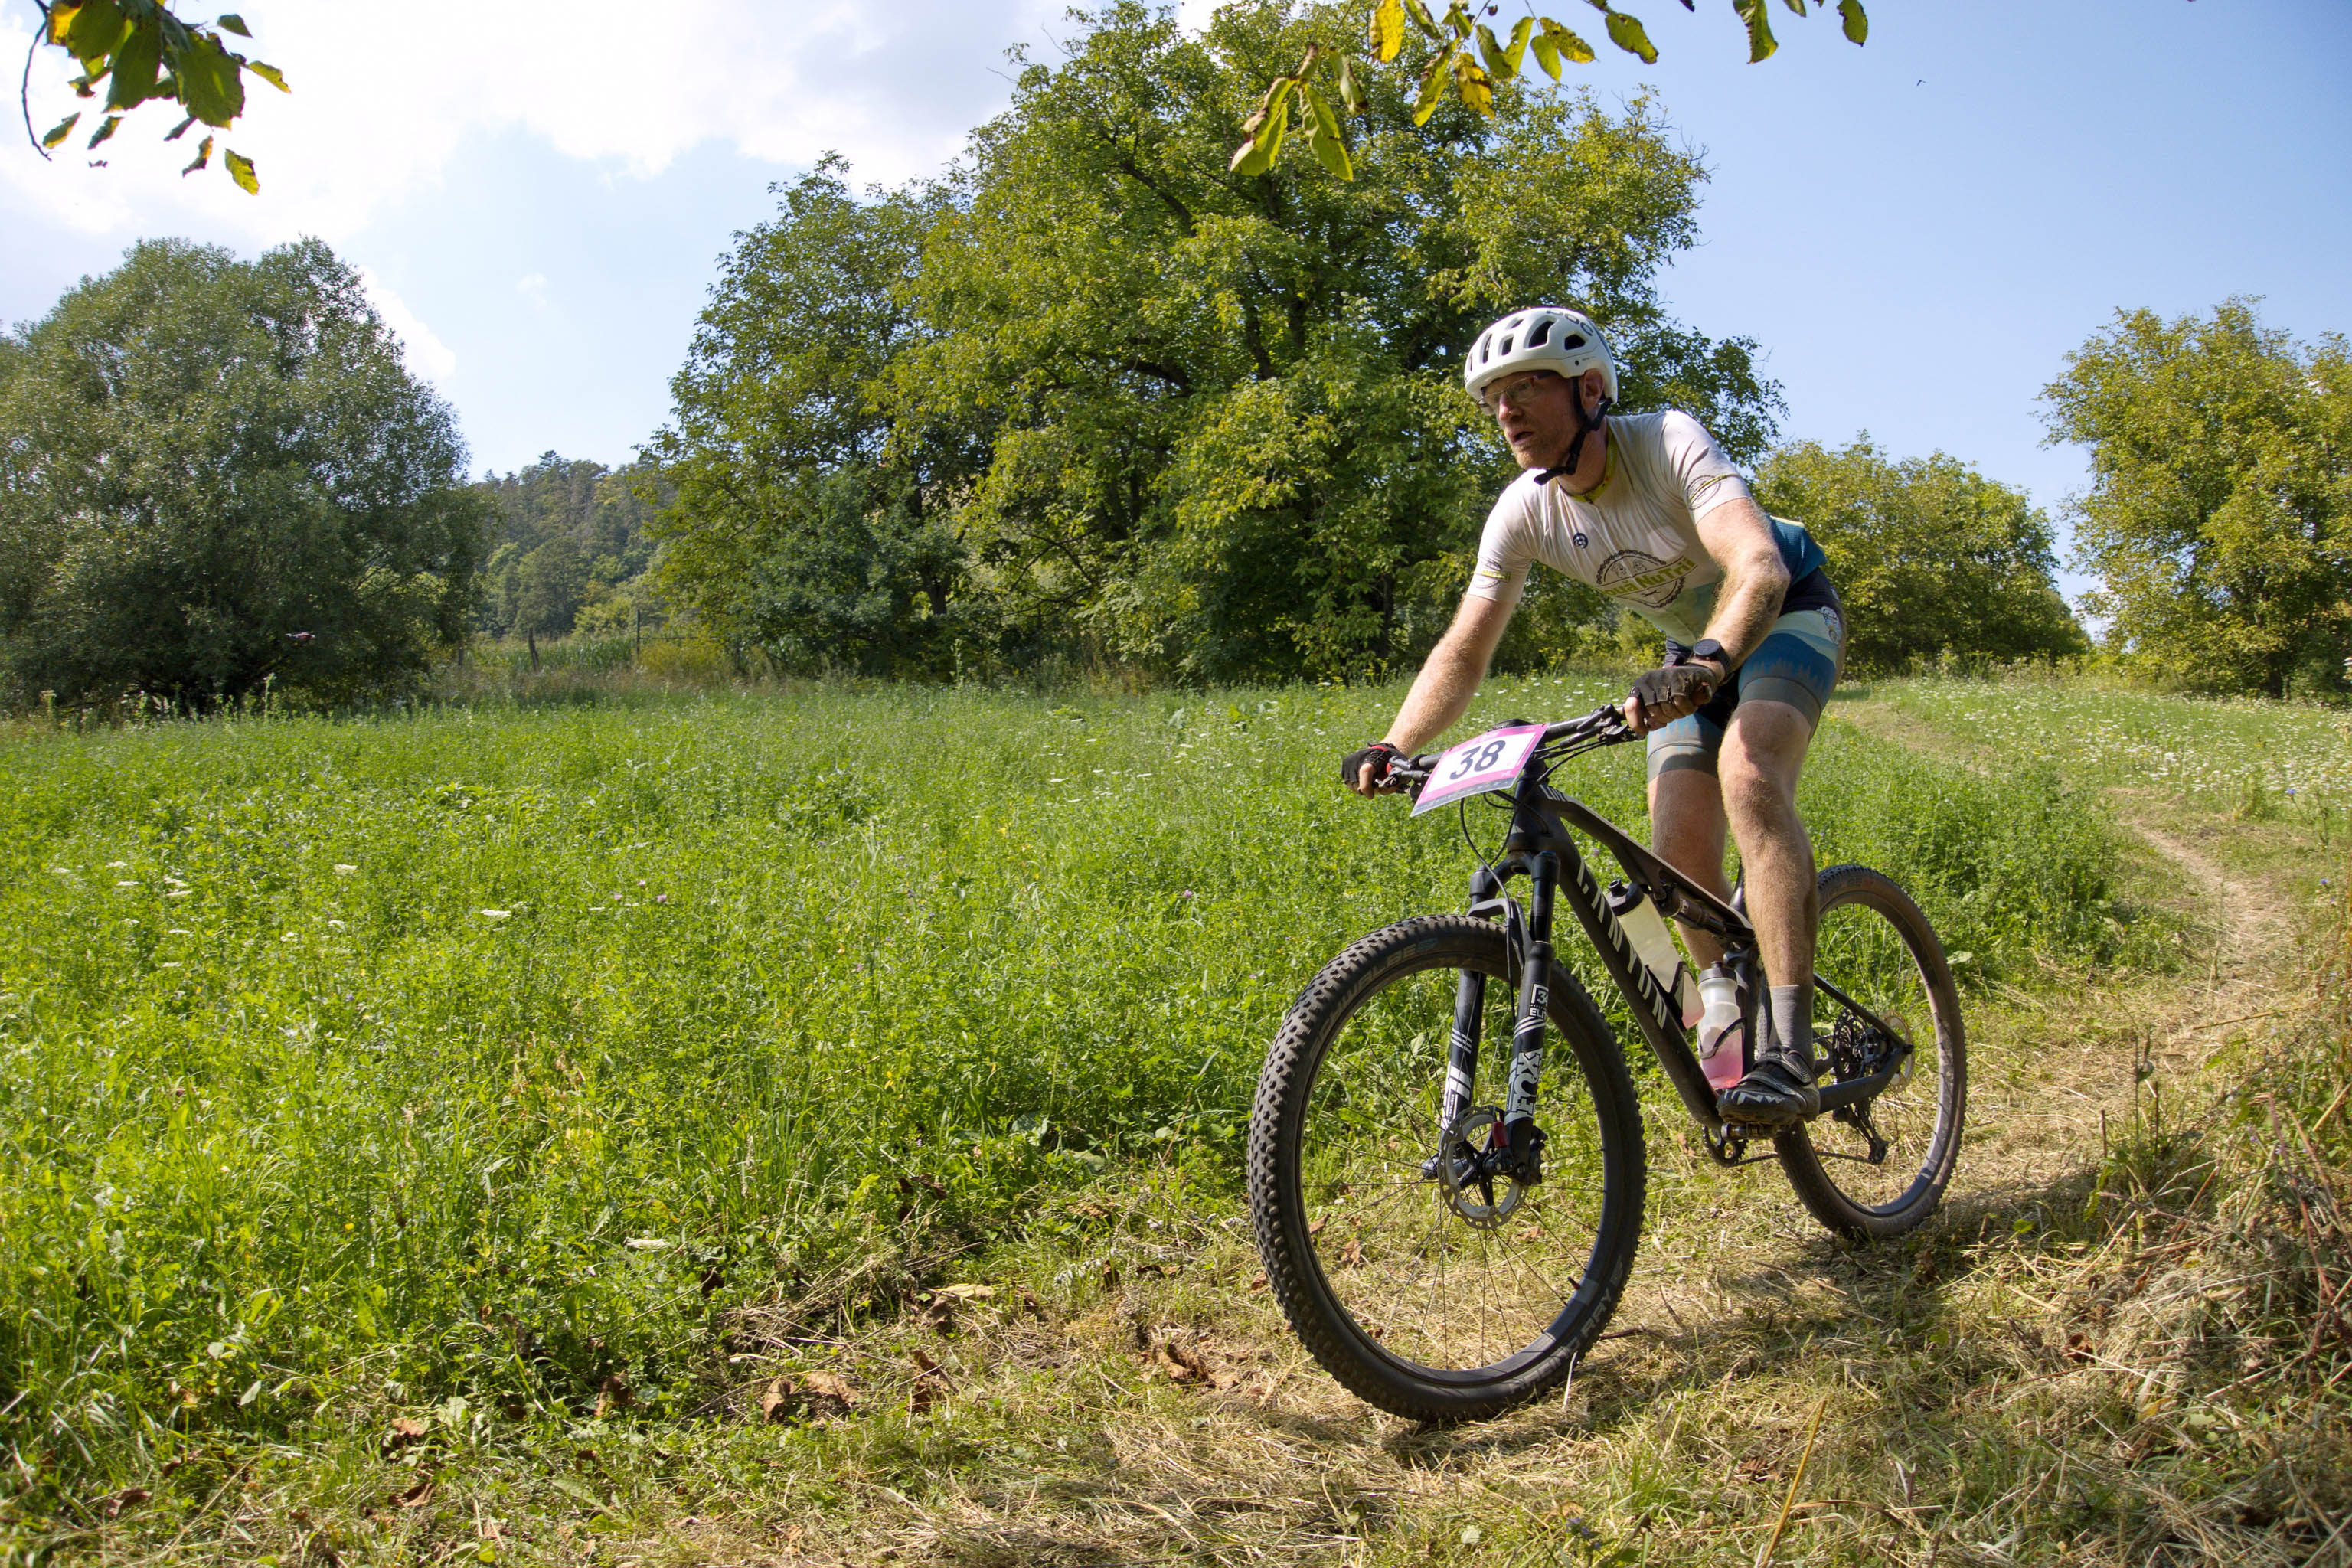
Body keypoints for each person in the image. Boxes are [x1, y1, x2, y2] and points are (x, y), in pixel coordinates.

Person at [1340, 306, 1845, 1126]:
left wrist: (1710, 662)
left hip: (1783, 614)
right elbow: (1465, 648)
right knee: (1674, 850)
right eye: (1493, 397)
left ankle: (1790, 1051)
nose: (1506, 409)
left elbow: (1757, 567)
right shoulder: (1524, 510)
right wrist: (1393, 742)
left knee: (1750, 776)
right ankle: (1722, 999)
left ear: (1590, 389)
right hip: (1689, 655)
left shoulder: (1667, 441)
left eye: (1526, 386)